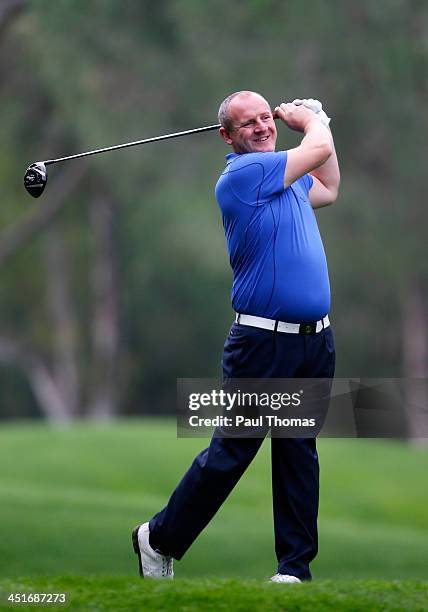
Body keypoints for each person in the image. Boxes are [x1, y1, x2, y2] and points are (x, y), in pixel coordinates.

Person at [132, 90, 340, 582]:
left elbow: (328, 186)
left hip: (313, 340)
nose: (263, 127)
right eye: (248, 123)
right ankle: (157, 539)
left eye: (266, 117)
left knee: (298, 451)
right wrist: (311, 119)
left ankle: (294, 569)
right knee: (232, 451)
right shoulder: (244, 175)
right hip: (263, 343)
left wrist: (316, 125)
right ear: (227, 136)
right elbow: (320, 150)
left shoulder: (282, 174)